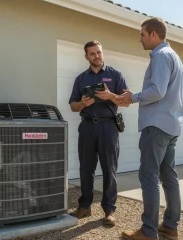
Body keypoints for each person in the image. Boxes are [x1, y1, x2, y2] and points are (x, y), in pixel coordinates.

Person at [119, 17, 183, 240]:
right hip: (171, 125)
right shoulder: (174, 56)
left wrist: (133, 97)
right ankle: (170, 226)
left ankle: (148, 232)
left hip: (155, 126)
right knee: (169, 177)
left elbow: (157, 91)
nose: (140, 39)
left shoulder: (161, 56)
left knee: (149, 176)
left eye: (142, 34)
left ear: (154, 35)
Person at [69, 40, 128, 226]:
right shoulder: (81, 79)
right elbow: (72, 106)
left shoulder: (115, 75)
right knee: (86, 168)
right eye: (92, 53)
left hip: (108, 127)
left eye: (99, 52)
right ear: (86, 57)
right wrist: (83, 104)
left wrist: (111, 96)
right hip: (87, 126)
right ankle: (85, 206)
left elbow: (126, 101)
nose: (97, 56)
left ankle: (109, 210)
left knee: (109, 168)